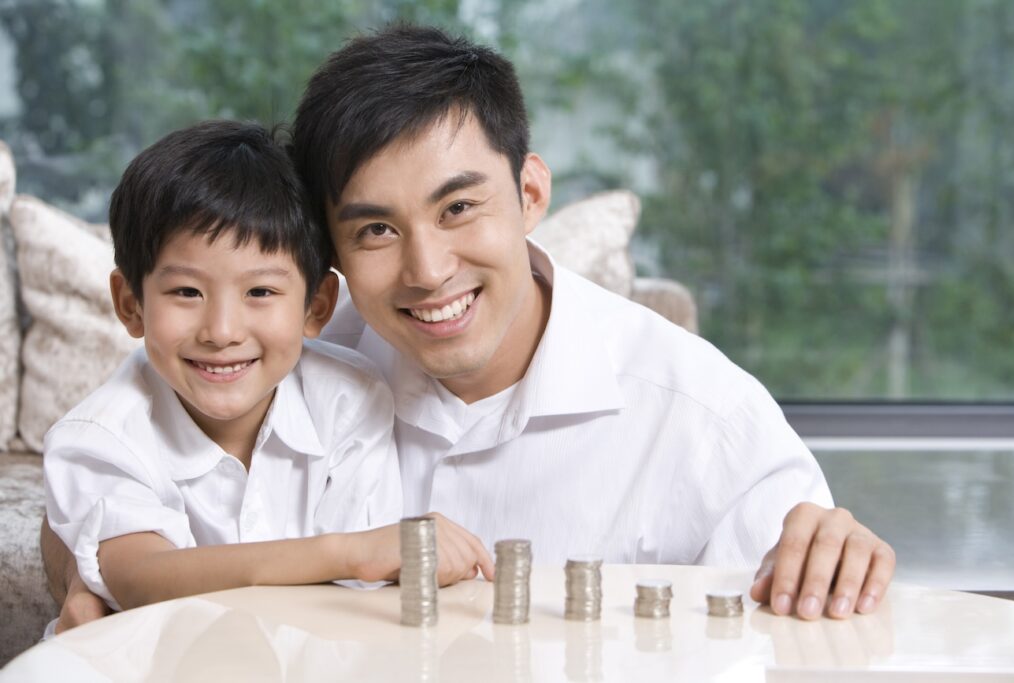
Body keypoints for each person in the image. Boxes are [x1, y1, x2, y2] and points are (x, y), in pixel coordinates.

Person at [45, 25, 894, 629]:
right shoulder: (294, 346)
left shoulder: (702, 416)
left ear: (530, 193)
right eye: (376, 229)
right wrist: (84, 592)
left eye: (459, 207)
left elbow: (812, 595)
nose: (426, 270)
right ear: (330, 264)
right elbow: (104, 485)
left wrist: (834, 551)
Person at [41, 120, 493, 633]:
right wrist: (347, 553)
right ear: (130, 304)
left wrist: (362, 561)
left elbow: (364, 602)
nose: (222, 331)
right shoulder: (99, 437)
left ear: (317, 305)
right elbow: (141, 578)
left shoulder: (350, 400)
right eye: (187, 292)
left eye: (260, 293)